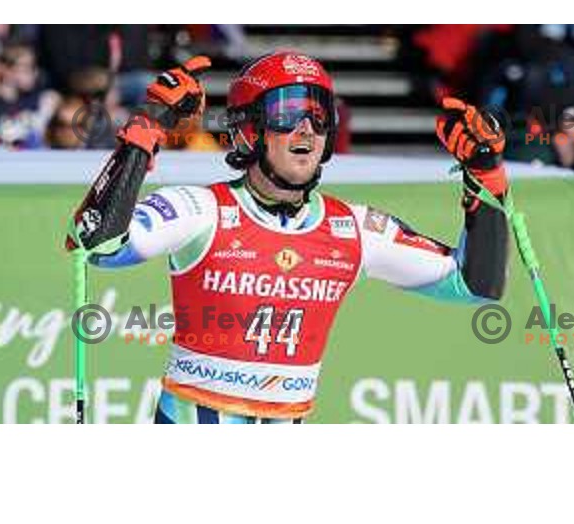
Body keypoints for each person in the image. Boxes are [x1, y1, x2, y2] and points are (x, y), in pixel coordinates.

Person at [67, 51, 509, 424]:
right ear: (249, 129)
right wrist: (147, 127)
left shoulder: (354, 229)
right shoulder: (200, 209)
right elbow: (97, 244)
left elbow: (476, 285)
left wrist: (487, 177)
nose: (307, 130)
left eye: (319, 115)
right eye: (287, 113)